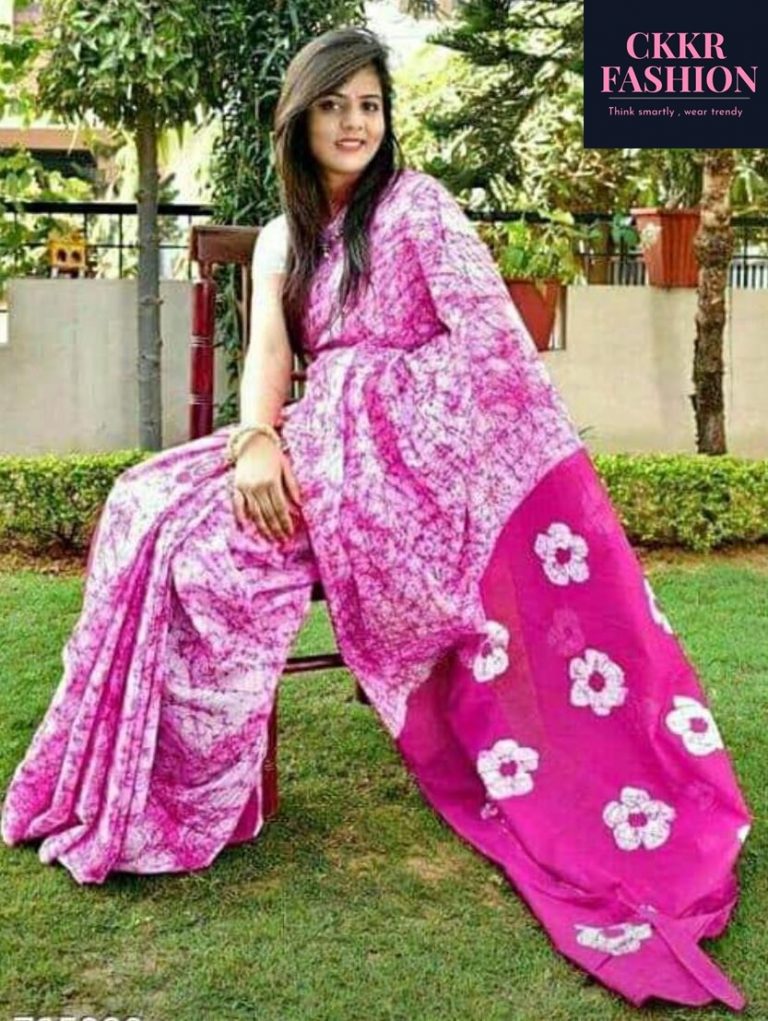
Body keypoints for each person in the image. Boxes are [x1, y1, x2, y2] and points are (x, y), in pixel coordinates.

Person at [0, 26, 752, 1012]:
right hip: (314, 447)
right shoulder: (286, 236)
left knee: (217, 559)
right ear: (298, 117)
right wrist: (255, 440)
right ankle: (149, 785)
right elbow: (270, 357)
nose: (354, 123)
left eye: (369, 105)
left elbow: (490, 347)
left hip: (402, 474)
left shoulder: (418, 206)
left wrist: (377, 407)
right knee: (146, 506)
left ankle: (204, 792)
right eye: (333, 105)